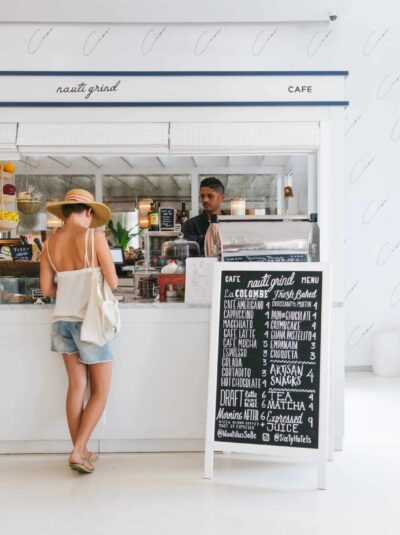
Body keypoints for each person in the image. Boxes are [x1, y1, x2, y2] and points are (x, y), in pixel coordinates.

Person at [40, 189, 118, 474]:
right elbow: (113, 281)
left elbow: (47, 290)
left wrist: (70, 285)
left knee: (76, 387)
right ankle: (77, 451)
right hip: (90, 323)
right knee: (100, 390)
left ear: (64, 213)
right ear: (88, 213)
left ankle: (81, 451)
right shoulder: (94, 237)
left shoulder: (48, 245)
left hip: (61, 321)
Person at [182, 176, 225, 255]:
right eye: (202, 196)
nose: (205, 200)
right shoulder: (190, 224)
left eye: (210, 196)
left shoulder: (230, 223)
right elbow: (189, 250)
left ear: (221, 197)